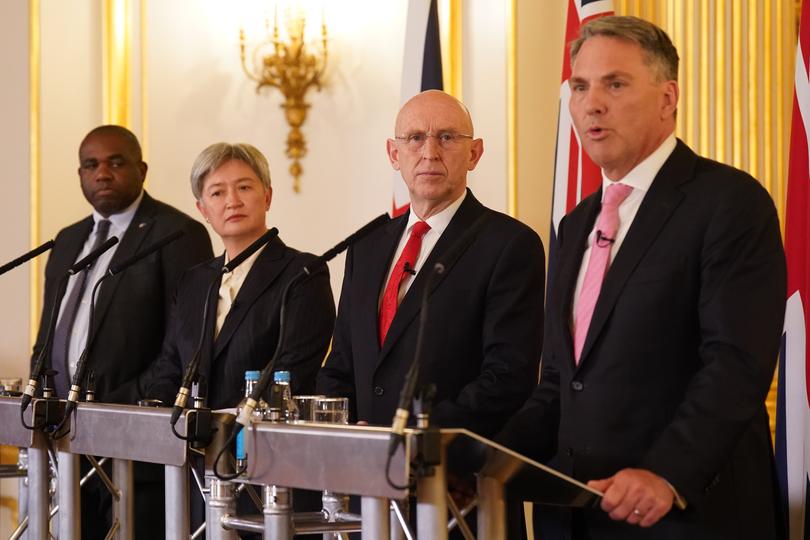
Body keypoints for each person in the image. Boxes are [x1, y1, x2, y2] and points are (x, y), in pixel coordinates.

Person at [496, 16, 786, 539]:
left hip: (680, 514)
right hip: (575, 514)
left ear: (667, 98)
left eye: (615, 83)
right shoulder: (576, 221)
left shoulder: (729, 203)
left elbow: (735, 364)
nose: (591, 104)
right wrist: (488, 463)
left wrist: (666, 473)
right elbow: (562, 382)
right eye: (580, 87)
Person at [317, 90, 545, 438]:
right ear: (394, 154)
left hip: (455, 473)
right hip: (363, 471)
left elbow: (508, 378)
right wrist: (349, 436)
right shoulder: (366, 248)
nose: (429, 152)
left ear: (475, 153)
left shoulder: (510, 245)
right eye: (415, 138)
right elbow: (340, 366)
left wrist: (410, 437)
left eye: (447, 137)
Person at [30, 125, 213, 539]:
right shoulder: (67, 240)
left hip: (135, 444)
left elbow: (182, 344)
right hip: (64, 442)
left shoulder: (176, 233)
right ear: (80, 174)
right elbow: (49, 334)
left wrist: (119, 405)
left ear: (141, 169)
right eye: (91, 165)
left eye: (116, 162)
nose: (103, 174)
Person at [130, 142, 336, 409]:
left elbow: (294, 368)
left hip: (257, 438)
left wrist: (234, 421)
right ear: (203, 210)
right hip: (187, 440)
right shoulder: (193, 281)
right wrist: (155, 407)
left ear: (267, 197)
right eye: (217, 193)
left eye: (244, 187)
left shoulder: (303, 273)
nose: (232, 201)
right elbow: (171, 365)